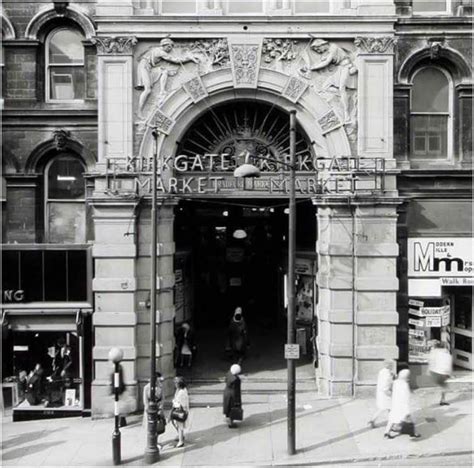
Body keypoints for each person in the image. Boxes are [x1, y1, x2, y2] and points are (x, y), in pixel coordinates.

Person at [135, 37, 199, 116]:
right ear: (164, 45)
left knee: (164, 71)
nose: (170, 49)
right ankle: (139, 111)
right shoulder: (160, 52)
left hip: (148, 67)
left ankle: (162, 91)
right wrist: (189, 58)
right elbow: (175, 60)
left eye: (171, 47)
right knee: (147, 90)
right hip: (144, 67)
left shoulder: (156, 50)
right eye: (169, 47)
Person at [299, 38, 357, 123]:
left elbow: (326, 62)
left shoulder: (333, 47)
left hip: (346, 68)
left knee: (342, 88)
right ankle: (344, 96)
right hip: (338, 70)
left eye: (318, 49)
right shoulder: (327, 52)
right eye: (316, 50)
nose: (318, 51)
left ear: (322, 44)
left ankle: (346, 113)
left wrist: (312, 68)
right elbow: (322, 61)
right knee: (325, 87)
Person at [385, 369, 421, 439]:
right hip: (403, 405)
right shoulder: (404, 384)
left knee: (392, 419)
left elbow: (389, 390)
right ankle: (414, 433)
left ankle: (386, 433)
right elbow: (406, 396)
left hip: (395, 403)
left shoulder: (395, 382)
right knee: (410, 418)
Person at [368, 360, 394, 428]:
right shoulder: (387, 373)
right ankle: (391, 423)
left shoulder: (382, 371)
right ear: (389, 366)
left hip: (381, 392)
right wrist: (388, 392)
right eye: (392, 365)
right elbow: (386, 383)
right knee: (389, 408)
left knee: (386, 408)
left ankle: (373, 420)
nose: (393, 366)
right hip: (385, 393)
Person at [143, 372, 165, 449]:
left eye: (156, 380)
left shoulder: (160, 387)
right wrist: (147, 410)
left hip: (158, 408)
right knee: (150, 427)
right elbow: (145, 401)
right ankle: (152, 443)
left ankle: (156, 441)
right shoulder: (146, 388)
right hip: (150, 409)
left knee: (158, 426)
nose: (156, 381)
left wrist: (160, 408)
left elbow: (163, 398)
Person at [428, 340, 453, 405]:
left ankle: (442, 399)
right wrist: (449, 374)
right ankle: (442, 400)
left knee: (442, 386)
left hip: (434, 372)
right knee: (444, 386)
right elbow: (448, 364)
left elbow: (431, 361)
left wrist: (429, 370)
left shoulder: (434, 352)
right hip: (442, 373)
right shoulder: (447, 354)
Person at [170, 376, 189, 448]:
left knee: (180, 425)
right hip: (179, 409)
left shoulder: (181, 392)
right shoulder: (180, 390)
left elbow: (178, 402)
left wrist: (174, 402)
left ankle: (181, 441)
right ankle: (180, 436)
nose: (174, 384)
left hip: (180, 410)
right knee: (175, 423)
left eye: (176, 383)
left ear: (179, 384)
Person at [223, 364, 242, 429]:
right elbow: (237, 390)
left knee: (227, 408)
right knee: (232, 408)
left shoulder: (228, 373)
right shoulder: (236, 379)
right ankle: (231, 423)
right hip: (233, 395)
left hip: (227, 392)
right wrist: (238, 401)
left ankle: (229, 421)